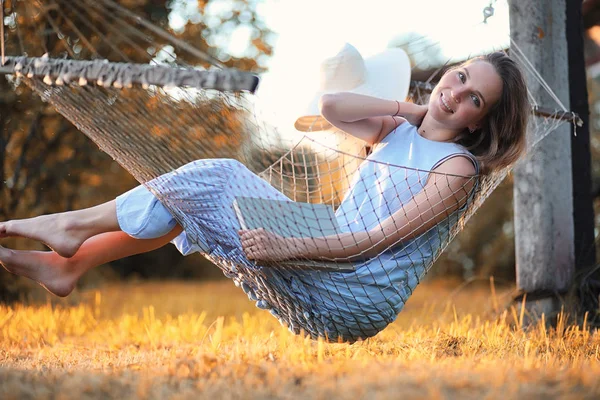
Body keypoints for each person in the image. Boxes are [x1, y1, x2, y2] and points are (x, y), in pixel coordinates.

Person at [0, 49, 529, 342]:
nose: (454, 93)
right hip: (326, 249)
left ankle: (72, 233)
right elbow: (331, 106)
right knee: (203, 197)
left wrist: (285, 247)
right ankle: (68, 264)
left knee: (216, 179)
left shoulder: (456, 168)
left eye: (472, 98)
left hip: (354, 293)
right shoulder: (398, 129)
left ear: (482, 122)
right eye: (459, 77)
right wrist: (413, 110)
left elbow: (372, 242)